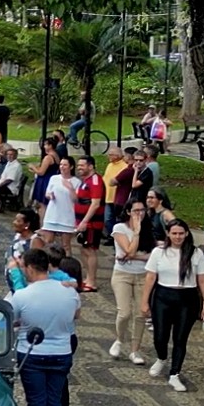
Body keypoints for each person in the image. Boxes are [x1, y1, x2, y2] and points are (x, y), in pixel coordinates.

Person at [9, 248, 79, 406]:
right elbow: (76, 314)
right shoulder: (68, 292)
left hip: (33, 353)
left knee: (36, 400)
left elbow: (11, 319)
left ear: (29, 268)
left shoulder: (22, 295)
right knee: (54, 400)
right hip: (61, 352)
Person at [142, 218, 204, 392]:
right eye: (174, 233)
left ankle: (175, 373)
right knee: (160, 335)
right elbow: (150, 277)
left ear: (187, 234)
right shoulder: (159, 252)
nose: (178, 237)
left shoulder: (196, 254)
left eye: (181, 233)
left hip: (187, 298)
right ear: (168, 234)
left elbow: (203, 280)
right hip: (163, 295)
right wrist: (144, 301)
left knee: (180, 338)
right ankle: (161, 357)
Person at [109, 198, 154, 364]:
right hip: (122, 274)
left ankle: (135, 350)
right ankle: (119, 339)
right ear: (128, 212)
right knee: (124, 312)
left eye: (142, 210)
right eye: (136, 211)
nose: (140, 214)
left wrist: (135, 257)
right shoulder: (119, 228)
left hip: (142, 275)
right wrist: (136, 232)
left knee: (140, 314)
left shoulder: (148, 229)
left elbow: (151, 255)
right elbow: (128, 249)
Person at [73, 155, 105, 291]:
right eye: (78, 165)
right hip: (82, 221)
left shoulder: (95, 181)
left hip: (92, 223)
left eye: (82, 165)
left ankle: (92, 281)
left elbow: (95, 203)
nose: (79, 168)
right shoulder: (85, 180)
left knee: (90, 250)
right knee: (83, 249)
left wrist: (85, 221)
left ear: (90, 166)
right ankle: (88, 277)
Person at [39, 156, 80, 255]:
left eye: (65, 165)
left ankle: (66, 264)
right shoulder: (54, 178)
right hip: (52, 214)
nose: (62, 167)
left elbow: (76, 200)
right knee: (48, 241)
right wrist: (50, 195)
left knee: (65, 244)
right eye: (61, 164)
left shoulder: (76, 182)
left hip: (67, 216)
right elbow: (47, 193)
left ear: (71, 167)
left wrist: (70, 189)